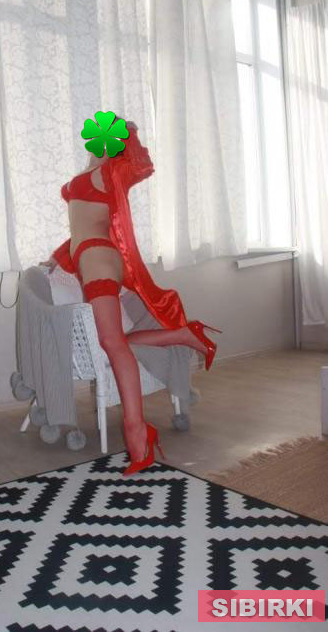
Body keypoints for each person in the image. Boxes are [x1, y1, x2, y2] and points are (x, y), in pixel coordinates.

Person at [40, 119, 221, 475]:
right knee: (115, 341)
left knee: (113, 344)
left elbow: (140, 166)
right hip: (89, 254)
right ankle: (185, 334)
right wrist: (58, 257)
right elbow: (82, 225)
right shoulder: (90, 176)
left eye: (106, 136)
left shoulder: (110, 172)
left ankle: (137, 433)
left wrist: (129, 132)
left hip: (97, 256)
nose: (97, 140)